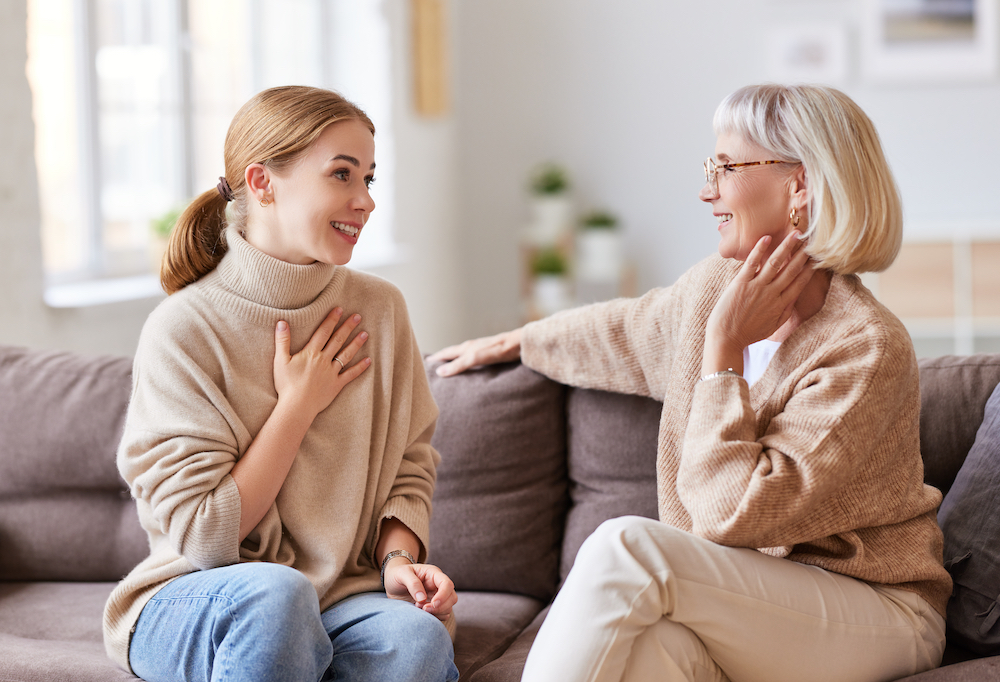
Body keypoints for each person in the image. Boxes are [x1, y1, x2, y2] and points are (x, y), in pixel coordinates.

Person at [430, 84, 950, 682]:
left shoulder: (865, 347)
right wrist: (522, 341)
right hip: (749, 609)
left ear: (799, 185)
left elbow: (736, 513)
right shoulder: (711, 290)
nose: (707, 190)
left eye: (724, 168)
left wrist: (725, 352)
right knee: (652, 653)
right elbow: (624, 330)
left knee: (626, 547)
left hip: (879, 612)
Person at [103, 86, 459, 682]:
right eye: (341, 175)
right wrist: (297, 405)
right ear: (263, 183)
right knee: (277, 597)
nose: (364, 201)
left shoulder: (380, 309)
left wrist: (398, 558)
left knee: (416, 640)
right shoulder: (184, 329)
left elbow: (409, 462)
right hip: (194, 594)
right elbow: (205, 538)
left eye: (369, 179)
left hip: (342, 601)